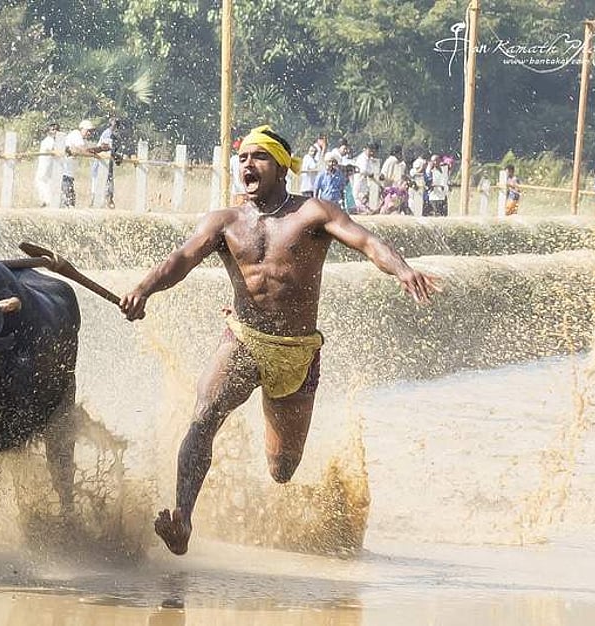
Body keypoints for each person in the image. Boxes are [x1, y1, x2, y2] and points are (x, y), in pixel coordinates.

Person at [118, 125, 438, 556]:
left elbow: (366, 241)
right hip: (244, 340)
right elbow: (181, 260)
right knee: (205, 413)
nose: (248, 164)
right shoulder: (224, 221)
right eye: (243, 157)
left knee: (282, 468)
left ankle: (317, 514)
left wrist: (402, 269)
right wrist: (144, 288)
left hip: (297, 354)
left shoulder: (314, 214)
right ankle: (183, 518)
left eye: (259, 157)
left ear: (282, 168)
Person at [61, 119, 99, 208]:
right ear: (82, 129)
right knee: (68, 201)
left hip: (68, 174)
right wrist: (96, 155)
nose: (89, 133)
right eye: (88, 130)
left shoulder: (80, 139)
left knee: (69, 200)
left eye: (91, 131)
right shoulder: (76, 134)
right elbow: (84, 149)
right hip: (65, 173)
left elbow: (84, 149)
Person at [35, 122, 62, 207]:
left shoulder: (49, 140)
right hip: (46, 163)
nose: (55, 131)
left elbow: (50, 150)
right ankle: (46, 200)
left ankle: (47, 201)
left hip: (47, 165)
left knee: (42, 181)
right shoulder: (49, 140)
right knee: (45, 182)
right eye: (53, 129)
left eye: (57, 130)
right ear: (48, 131)